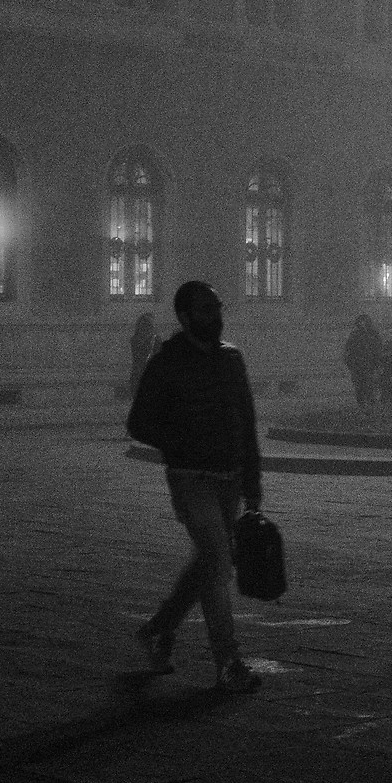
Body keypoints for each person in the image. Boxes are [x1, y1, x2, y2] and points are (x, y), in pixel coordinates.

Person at [128, 281, 263, 693]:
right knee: (218, 563)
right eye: (206, 310)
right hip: (190, 478)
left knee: (207, 562)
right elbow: (138, 424)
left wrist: (253, 479)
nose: (216, 317)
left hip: (229, 479)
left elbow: (247, 420)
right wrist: (181, 440)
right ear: (186, 317)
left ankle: (158, 628)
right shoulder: (165, 363)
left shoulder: (231, 359)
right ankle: (227, 660)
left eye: (218, 308)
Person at [342, 314, 381, 406]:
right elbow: (348, 350)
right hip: (358, 366)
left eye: (363, 321)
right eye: (360, 322)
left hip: (369, 365)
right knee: (360, 387)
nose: (362, 324)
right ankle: (363, 405)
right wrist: (350, 363)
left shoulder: (373, 334)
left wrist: (377, 363)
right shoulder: (354, 335)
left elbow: (378, 349)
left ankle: (371, 405)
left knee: (370, 386)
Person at [128, 312, 158, 397]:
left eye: (149, 326)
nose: (147, 329)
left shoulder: (155, 339)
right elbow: (138, 356)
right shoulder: (136, 340)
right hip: (139, 374)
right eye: (146, 325)